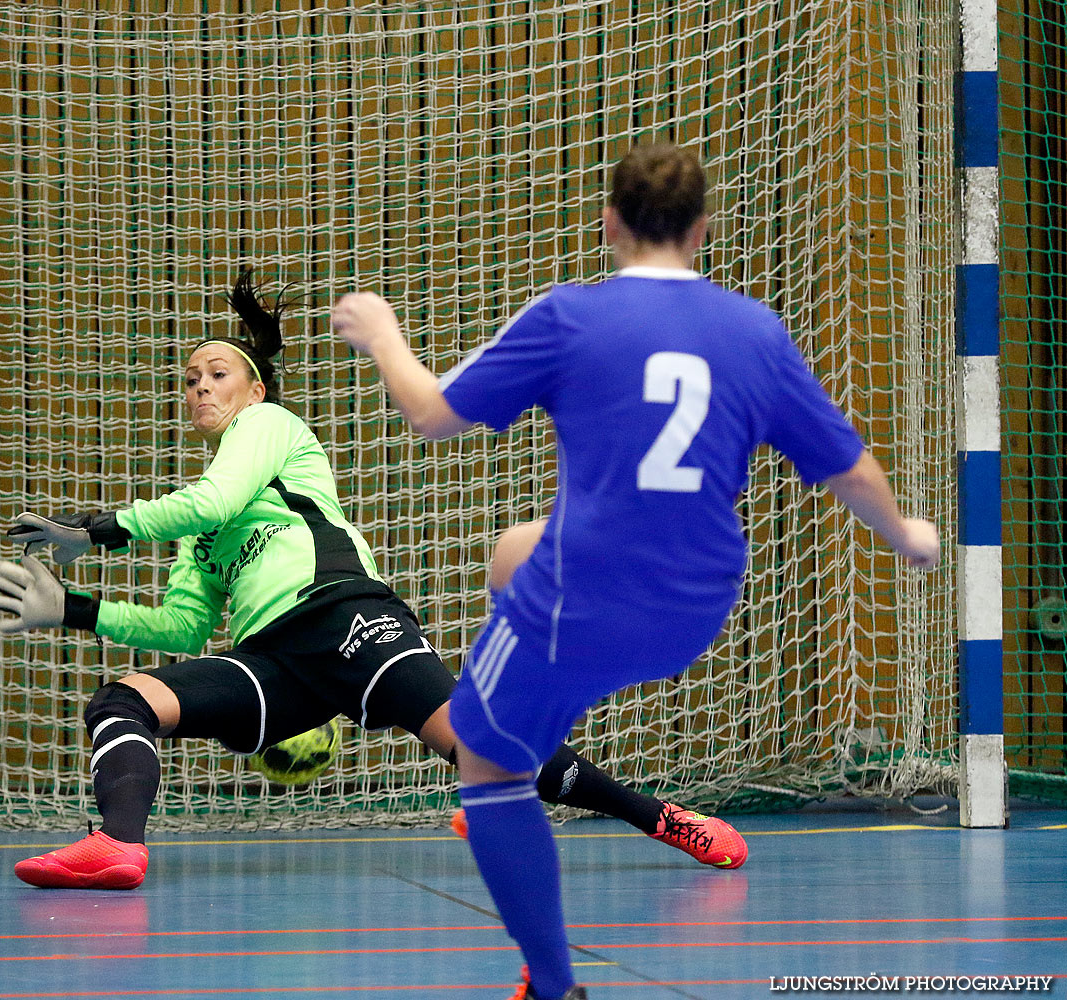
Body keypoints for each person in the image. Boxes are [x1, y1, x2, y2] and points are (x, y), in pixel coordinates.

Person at [331, 141, 941, 1000]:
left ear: (610, 223)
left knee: (486, 766)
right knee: (513, 548)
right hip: (696, 606)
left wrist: (383, 333)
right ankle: (536, 732)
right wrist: (903, 529)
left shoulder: (570, 317)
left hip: (582, 601)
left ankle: (552, 983)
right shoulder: (754, 331)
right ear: (702, 229)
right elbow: (849, 466)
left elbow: (431, 413)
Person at [0, 269, 748, 893]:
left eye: (217, 372)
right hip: (276, 663)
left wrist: (97, 529)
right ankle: (118, 845)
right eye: (189, 379)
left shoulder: (272, 430)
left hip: (347, 622)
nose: (200, 387)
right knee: (126, 698)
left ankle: (659, 817)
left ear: (255, 391)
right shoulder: (200, 530)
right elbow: (185, 626)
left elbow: (214, 496)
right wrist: (76, 609)